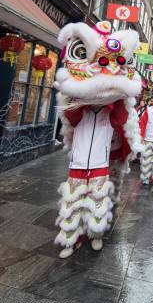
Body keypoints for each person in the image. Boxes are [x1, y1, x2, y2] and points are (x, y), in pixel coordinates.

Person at [54, 21, 143, 259]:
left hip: (100, 164)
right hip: (78, 163)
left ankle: (95, 235)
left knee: (97, 200)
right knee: (73, 201)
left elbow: (122, 116)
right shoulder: (78, 112)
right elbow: (68, 112)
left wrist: (117, 94)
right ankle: (70, 238)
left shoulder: (111, 113)